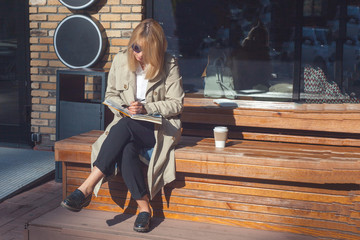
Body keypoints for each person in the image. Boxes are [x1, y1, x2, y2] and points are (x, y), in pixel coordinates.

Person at [60, 18, 185, 233]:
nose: (138, 55)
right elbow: (111, 95)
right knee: (127, 148)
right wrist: (124, 107)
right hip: (127, 125)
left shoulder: (169, 63)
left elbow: (176, 103)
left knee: (125, 128)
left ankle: (86, 187)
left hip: (157, 127)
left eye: (144, 51)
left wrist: (147, 108)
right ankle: (144, 209)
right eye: (135, 48)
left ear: (156, 50)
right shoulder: (120, 60)